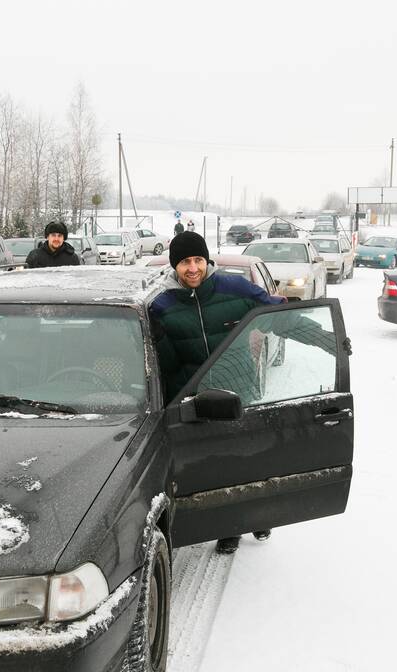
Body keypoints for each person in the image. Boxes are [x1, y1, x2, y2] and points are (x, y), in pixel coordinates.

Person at [148, 231, 281, 554]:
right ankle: (230, 526)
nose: (192, 268)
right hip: (197, 398)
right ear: (174, 266)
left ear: (207, 261)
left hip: (239, 389)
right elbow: (159, 355)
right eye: (184, 262)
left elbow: (274, 311)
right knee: (219, 464)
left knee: (249, 456)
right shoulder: (162, 305)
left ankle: (259, 514)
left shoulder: (233, 288)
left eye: (197, 260)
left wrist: (302, 320)